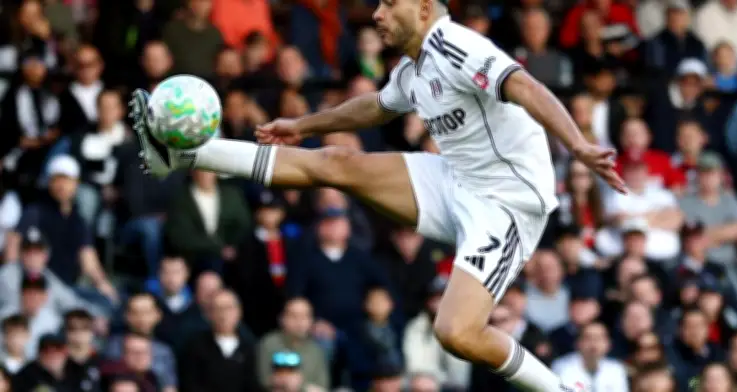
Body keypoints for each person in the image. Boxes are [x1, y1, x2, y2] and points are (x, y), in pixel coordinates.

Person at [130, 1, 626, 391]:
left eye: (390, 3)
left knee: (456, 332)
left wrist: (578, 145)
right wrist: (304, 125)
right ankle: (182, 155)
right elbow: (376, 107)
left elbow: (525, 85)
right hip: (456, 179)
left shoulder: (456, 44)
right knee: (337, 163)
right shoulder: (414, 69)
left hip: (507, 203)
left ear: (425, 9)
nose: (377, 13)